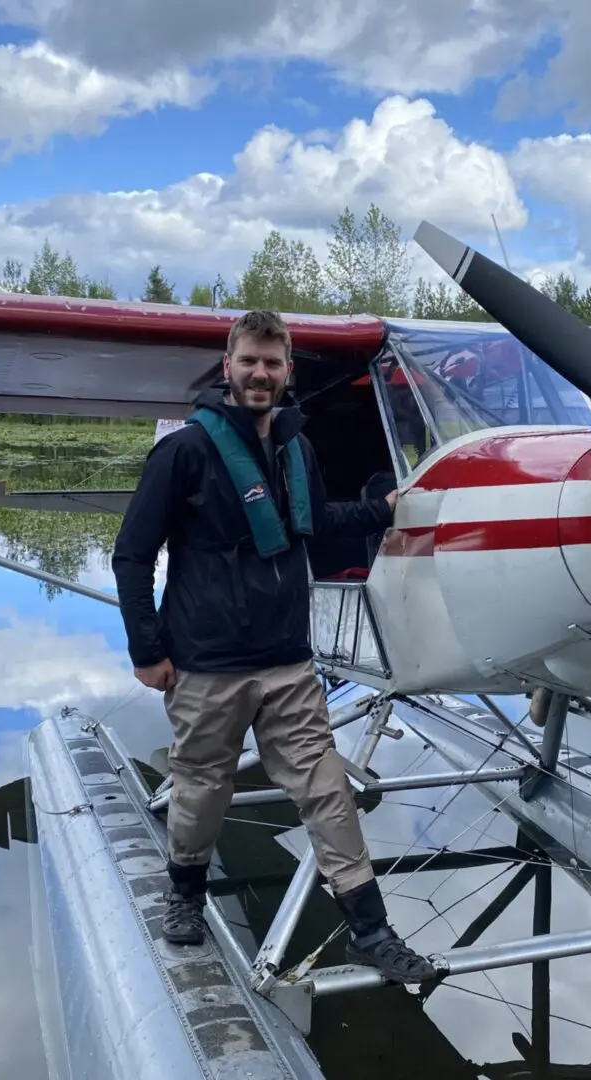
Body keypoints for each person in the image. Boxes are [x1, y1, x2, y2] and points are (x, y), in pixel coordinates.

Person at [111, 308, 437, 984]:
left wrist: (384, 507)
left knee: (327, 789)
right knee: (201, 787)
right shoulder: (185, 452)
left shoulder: (295, 446)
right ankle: (186, 895)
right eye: (249, 361)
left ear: (288, 372)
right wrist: (147, 649)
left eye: (273, 363)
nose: (261, 373)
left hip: (289, 659)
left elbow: (311, 520)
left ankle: (369, 928)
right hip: (206, 663)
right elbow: (132, 555)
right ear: (227, 368)